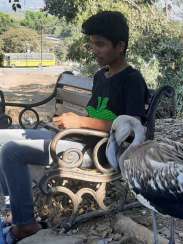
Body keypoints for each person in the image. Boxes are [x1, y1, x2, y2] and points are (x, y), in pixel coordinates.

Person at [0, 11, 150, 243]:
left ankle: (25, 225)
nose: (94, 50)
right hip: (78, 138)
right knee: (2, 137)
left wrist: (80, 123)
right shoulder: (101, 76)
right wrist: (68, 122)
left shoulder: (132, 80)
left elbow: (132, 129)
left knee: (12, 151)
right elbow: (93, 114)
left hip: (99, 152)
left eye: (100, 44)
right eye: (92, 44)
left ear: (120, 46)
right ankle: (15, 211)